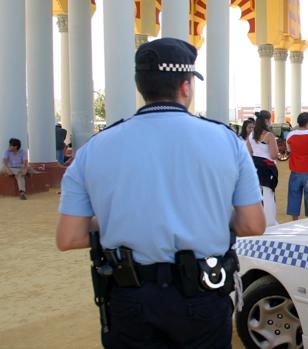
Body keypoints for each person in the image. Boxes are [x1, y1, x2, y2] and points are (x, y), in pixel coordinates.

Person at [55, 38, 265, 349]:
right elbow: (252, 225)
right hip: (202, 296)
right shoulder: (226, 141)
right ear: (185, 86)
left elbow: (69, 237)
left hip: (130, 298)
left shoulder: (95, 148)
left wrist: (120, 220)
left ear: (141, 85)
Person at [247, 110, 279, 227]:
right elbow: (273, 155)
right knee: (268, 194)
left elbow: (249, 152)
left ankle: (257, 220)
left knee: (257, 195)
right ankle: (270, 222)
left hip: (255, 166)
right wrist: (278, 155)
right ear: (266, 120)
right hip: (267, 167)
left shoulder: (251, 135)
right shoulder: (269, 135)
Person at [286, 112, 308, 220]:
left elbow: (289, 150)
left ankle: (294, 220)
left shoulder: (290, 135)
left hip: (295, 170)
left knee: (294, 195)